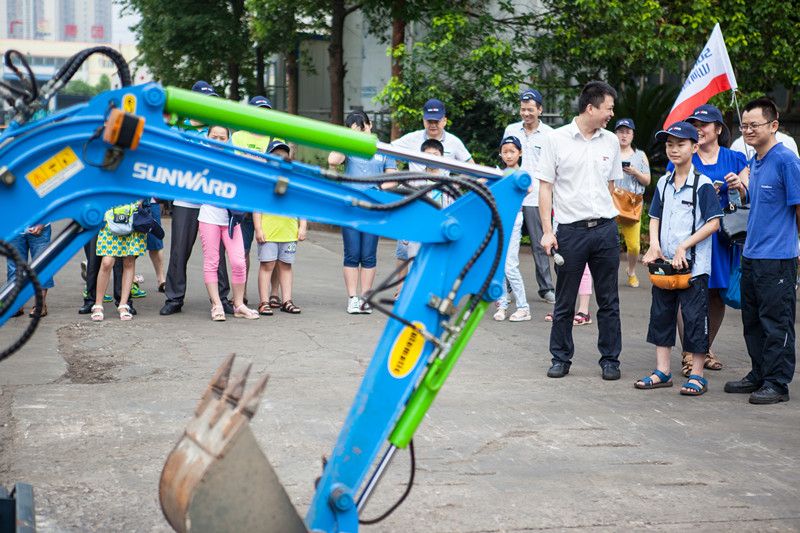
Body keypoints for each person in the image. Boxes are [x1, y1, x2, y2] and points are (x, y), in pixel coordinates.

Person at [536, 81, 623, 380]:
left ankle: (610, 360)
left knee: (609, 300)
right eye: (608, 108)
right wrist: (548, 231)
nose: (612, 113)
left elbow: (611, 185)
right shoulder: (556, 139)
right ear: (591, 108)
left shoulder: (610, 141)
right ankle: (560, 358)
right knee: (565, 300)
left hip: (605, 231)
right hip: (570, 232)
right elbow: (545, 187)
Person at [637, 122, 723, 396]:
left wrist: (684, 246)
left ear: (695, 147)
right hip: (664, 267)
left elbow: (714, 223)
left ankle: (697, 375)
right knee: (661, 315)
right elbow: (654, 217)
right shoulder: (663, 182)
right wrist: (654, 246)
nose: (673, 149)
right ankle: (662, 371)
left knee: (695, 319)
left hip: (693, 268)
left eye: (680, 144)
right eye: (669, 144)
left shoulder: (703, 184)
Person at [724, 97, 800, 404]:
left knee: (776, 320)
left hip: (778, 258)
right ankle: (759, 373)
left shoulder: (786, 160)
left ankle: (777, 382)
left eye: (754, 125)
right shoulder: (755, 161)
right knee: (752, 320)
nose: (747, 130)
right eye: (744, 125)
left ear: (774, 125)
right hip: (752, 255)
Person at [674, 104, 748, 376]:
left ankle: (703, 350)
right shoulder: (683, 155)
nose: (698, 129)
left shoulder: (735, 158)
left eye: (704, 124)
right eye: (694, 124)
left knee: (716, 294)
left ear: (718, 129)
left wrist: (738, 186)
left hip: (724, 237)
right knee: (688, 293)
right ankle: (688, 353)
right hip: (690, 236)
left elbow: (747, 198)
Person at [160, 80, 232, 316]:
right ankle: (174, 298)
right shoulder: (179, 128)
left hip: (213, 200)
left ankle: (222, 298)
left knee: (217, 253)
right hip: (186, 199)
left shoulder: (218, 129)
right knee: (180, 250)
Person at [328, 110, 398, 314]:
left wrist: (377, 189)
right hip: (350, 207)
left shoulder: (383, 148)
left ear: (370, 125)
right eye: (355, 130)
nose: (361, 132)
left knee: (368, 254)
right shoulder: (349, 148)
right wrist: (348, 139)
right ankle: (352, 298)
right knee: (352, 254)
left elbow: (393, 177)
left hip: (373, 206)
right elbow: (333, 161)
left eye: (363, 128)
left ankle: (366, 297)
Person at [197, 125, 259, 320]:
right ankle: (216, 305)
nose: (217, 140)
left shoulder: (234, 160)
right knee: (212, 262)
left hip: (232, 219)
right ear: (207, 137)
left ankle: (239, 304)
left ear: (228, 139)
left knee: (239, 262)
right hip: (209, 217)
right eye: (213, 136)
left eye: (222, 138)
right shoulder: (202, 157)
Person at [503, 89, 556, 304]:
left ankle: (546, 288)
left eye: (530, 109)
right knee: (506, 244)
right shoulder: (511, 129)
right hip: (512, 197)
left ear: (540, 110)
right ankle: (505, 287)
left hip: (537, 198)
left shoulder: (550, 134)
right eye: (523, 109)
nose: (526, 113)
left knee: (539, 245)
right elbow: (505, 157)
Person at [232, 96, 277, 307]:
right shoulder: (238, 136)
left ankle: (274, 294)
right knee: (242, 251)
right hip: (243, 201)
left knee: (274, 250)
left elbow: (277, 165)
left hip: (268, 204)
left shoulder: (274, 138)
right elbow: (238, 165)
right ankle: (242, 293)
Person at [254, 141, 307, 315]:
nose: (280, 159)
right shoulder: (263, 179)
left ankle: (287, 300)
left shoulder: (294, 179)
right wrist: (258, 229)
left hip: (289, 231)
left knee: (286, 266)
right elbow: (256, 206)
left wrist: (303, 226)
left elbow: (302, 205)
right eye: (275, 155)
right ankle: (263, 301)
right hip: (268, 231)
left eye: (283, 156)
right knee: (267, 265)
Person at [493, 136, 531, 322]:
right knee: (499, 265)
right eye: (505, 151)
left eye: (512, 152)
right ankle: (502, 305)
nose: (508, 155)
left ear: (520, 153)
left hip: (514, 222)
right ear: (500, 153)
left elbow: (529, 188)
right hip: (497, 223)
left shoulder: (521, 175)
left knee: (510, 266)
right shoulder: (497, 174)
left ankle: (523, 308)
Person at [92, 203, 147, 321]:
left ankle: (123, 304)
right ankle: (98, 305)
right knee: (107, 262)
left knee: (129, 262)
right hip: (109, 214)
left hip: (130, 213)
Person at [613, 118, 651, 288]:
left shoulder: (640, 155)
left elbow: (647, 181)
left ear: (633, 135)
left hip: (631, 204)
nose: (624, 135)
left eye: (628, 132)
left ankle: (631, 270)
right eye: (620, 131)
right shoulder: (609, 152)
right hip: (610, 202)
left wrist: (635, 171)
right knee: (607, 244)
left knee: (634, 246)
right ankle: (607, 275)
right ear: (615, 133)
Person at [6, 224, 54, 317]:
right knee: (14, 267)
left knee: (41, 265)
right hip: (14, 225)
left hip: (38, 223)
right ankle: (17, 304)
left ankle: (40, 304)